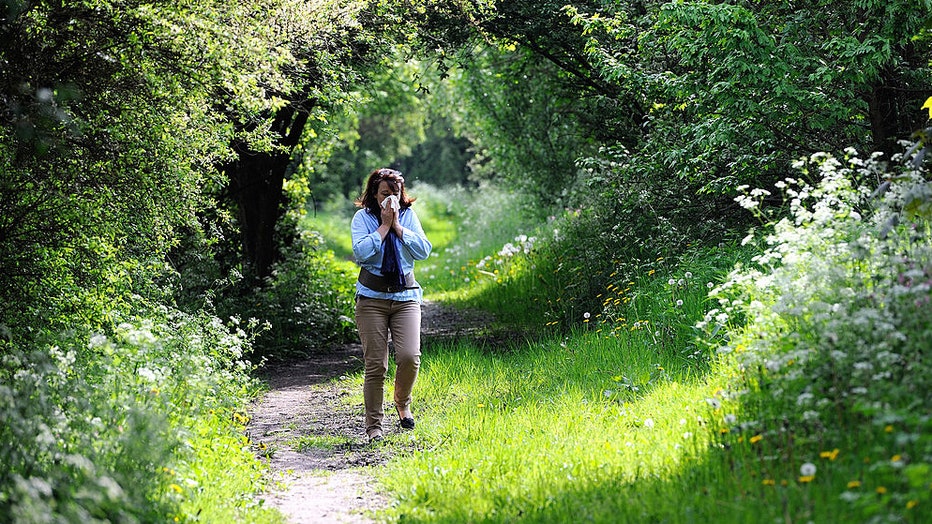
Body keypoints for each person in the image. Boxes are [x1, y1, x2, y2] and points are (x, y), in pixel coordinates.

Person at [351, 168, 432, 442]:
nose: (391, 199)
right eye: (385, 193)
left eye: (395, 193)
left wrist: (398, 227)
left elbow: (423, 250)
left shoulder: (408, 216)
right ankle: (374, 425)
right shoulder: (362, 218)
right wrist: (384, 227)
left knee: (410, 356)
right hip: (371, 299)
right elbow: (361, 252)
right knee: (376, 365)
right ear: (374, 194)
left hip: (405, 297)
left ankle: (402, 403)